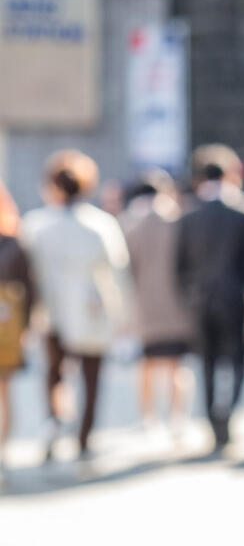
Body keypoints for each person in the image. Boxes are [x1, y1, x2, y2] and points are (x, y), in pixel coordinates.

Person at [21, 150, 133, 461]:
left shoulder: (37, 225)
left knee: (54, 374)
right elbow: (117, 272)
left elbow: (28, 273)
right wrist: (123, 315)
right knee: (91, 377)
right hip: (91, 310)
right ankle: (84, 435)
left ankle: (55, 423)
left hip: (51, 310)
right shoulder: (100, 225)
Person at [176, 145, 244, 453]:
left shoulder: (188, 218)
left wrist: (187, 296)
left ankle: (214, 420)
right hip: (233, 297)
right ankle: (228, 413)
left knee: (208, 363)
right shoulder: (240, 216)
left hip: (200, 300)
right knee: (236, 359)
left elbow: (179, 267)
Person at [121, 171, 195, 431]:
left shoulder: (129, 223)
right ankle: (178, 417)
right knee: (177, 366)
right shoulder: (179, 220)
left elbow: (124, 269)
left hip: (143, 306)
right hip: (177, 305)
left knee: (146, 366)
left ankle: (147, 417)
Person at [0, 181, 33, 473]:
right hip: (7, 328)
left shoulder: (15, 245)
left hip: (7, 328)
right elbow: (30, 290)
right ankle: (3, 453)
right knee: (5, 393)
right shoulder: (14, 245)